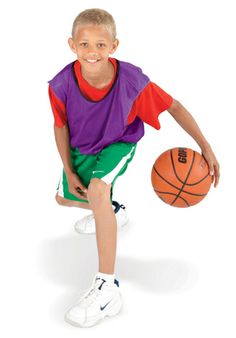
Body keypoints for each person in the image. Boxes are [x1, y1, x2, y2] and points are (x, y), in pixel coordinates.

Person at [48, 8, 220, 328]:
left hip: (118, 141)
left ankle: (107, 287)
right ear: (72, 45)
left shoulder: (131, 81)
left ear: (114, 46)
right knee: (65, 199)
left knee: (98, 189)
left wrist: (206, 146)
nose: (92, 52)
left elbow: (174, 107)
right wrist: (68, 169)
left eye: (101, 44)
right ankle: (113, 210)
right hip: (82, 145)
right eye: (85, 44)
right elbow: (60, 126)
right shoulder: (60, 84)